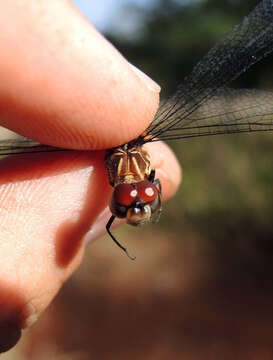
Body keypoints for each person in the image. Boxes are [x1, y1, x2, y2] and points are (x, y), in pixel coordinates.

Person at [0, 0, 181, 352]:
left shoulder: (143, 183)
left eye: (138, 198)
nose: (139, 204)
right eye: (140, 198)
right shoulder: (130, 181)